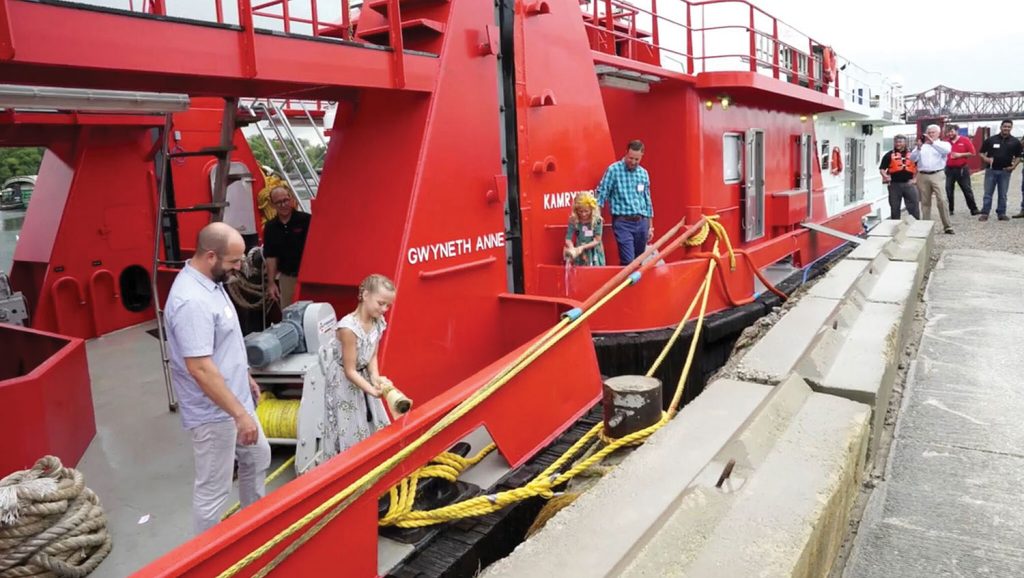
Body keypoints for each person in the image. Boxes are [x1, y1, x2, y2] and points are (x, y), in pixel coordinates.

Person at [164, 222, 271, 535]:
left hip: (235, 401)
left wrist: (246, 376)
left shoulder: (212, 285)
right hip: (215, 413)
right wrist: (239, 414)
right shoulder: (191, 301)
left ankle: (254, 527)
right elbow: (200, 368)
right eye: (233, 262)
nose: (239, 268)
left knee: (258, 456)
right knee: (214, 490)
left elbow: (224, 344)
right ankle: (209, 557)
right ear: (211, 256)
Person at [322, 274, 396, 458]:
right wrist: (372, 390)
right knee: (350, 427)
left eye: (388, 305)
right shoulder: (348, 328)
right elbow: (349, 370)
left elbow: (372, 356)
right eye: (381, 303)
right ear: (365, 295)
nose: (384, 309)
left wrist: (376, 378)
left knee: (374, 420)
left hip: (362, 376)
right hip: (344, 381)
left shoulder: (377, 322)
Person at [596, 140, 654, 265]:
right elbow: (601, 193)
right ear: (626, 153)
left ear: (642, 156)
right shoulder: (613, 170)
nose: (633, 162)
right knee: (628, 260)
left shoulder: (643, 173)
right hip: (623, 222)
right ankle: (625, 281)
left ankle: (634, 284)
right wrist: (597, 217)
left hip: (641, 222)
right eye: (630, 158)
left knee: (638, 260)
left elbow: (647, 200)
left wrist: (650, 227)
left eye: (636, 159)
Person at [263, 186, 311, 307]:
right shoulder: (270, 227)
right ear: (272, 205)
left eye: (285, 200)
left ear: (291, 199)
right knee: (289, 313)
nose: (283, 204)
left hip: (308, 277)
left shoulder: (307, 220)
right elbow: (271, 257)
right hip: (287, 277)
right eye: (278, 202)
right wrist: (271, 283)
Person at [910, 124, 954, 234]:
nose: (930, 134)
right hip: (922, 175)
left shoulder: (943, 144)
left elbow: (946, 151)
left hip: (937, 174)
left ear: (939, 133)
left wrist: (932, 143)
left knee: (942, 200)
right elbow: (912, 158)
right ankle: (926, 226)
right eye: (929, 132)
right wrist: (918, 148)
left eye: (933, 132)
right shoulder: (922, 146)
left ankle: (947, 225)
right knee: (925, 201)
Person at [979, 120, 1023, 221]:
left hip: (1005, 171)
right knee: (988, 193)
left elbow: (1018, 156)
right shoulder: (991, 140)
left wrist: (1013, 167)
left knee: (1003, 194)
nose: (1006, 128)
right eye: (1005, 126)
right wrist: (985, 159)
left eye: (1008, 127)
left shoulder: (1015, 142)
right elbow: (981, 152)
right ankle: (985, 213)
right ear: (1001, 127)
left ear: (1011, 128)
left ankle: (1001, 213)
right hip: (991, 170)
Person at [878, 135, 921, 220]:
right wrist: (886, 176)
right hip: (894, 185)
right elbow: (882, 169)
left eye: (900, 142)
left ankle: (915, 226)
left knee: (914, 207)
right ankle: (895, 226)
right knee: (894, 207)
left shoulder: (913, 154)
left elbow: (920, 168)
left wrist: (915, 179)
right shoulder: (889, 155)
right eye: (896, 142)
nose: (898, 144)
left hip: (909, 184)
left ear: (905, 143)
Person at [943, 124, 979, 216]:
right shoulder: (946, 142)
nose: (950, 134)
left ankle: (974, 209)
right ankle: (950, 209)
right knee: (948, 189)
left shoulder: (965, 140)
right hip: (949, 169)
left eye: (951, 131)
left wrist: (960, 155)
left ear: (956, 131)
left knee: (967, 189)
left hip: (962, 169)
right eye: (948, 132)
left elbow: (973, 153)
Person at [563, 192, 606, 266]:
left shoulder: (597, 220)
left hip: (594, 252)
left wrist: (582, 247)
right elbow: (568, 239)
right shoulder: (573, 219)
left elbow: (597, 240)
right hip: (579, 252)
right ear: (576, 210)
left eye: (586, 211)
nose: (583, 214)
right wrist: (572, 248)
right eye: (580, 211)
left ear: (592, 210)